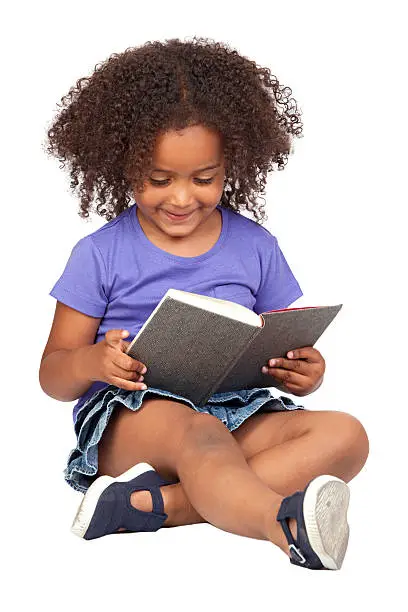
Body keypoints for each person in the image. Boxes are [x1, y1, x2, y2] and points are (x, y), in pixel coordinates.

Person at [39, 37, 369, 570]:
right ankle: (283, 527)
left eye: (204, 178)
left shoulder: (255, 246)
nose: (181, 198)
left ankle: (151, 506)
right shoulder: (100, 253)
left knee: (346, 435)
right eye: (158, 179)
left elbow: (282, 337)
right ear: (122, 166)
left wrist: (304, 371)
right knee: (203, 433)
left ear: (231, 164)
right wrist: (91, 361)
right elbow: (52, 376)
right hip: (135, 420)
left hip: (233, 407)